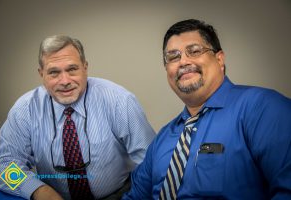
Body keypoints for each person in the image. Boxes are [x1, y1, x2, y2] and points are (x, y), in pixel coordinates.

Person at [122, 19, 291, 199]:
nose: (183, 61)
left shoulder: (262, 108)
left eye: (194, 51)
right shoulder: (162, 139)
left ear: (219, 59)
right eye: (173, 57)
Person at [0, 35, 156, 200]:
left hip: (119, 195)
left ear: (85, 67)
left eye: (72, 69)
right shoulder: (25, 109)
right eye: (54, 72)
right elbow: (3, 165)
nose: (65, 81)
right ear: (41, 74)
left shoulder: (119, 100)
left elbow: (151, 161)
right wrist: (38, 191)